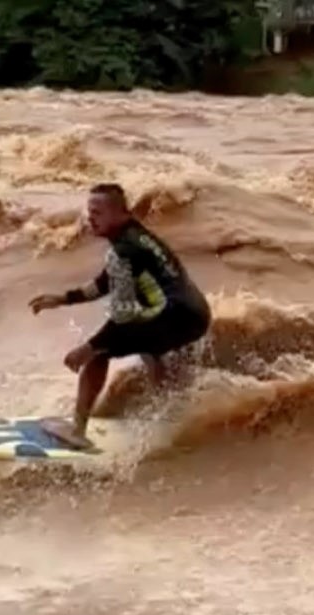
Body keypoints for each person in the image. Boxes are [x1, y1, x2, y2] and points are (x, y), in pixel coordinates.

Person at [30, 183, 212, 449]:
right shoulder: (136, 237)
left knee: (102, 351)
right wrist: (63, 299)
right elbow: (105, 283)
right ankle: (171, 417)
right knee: (148, 345)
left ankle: (77, 429)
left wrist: (89, 347)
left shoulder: (124, 252)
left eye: (98, 212)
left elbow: (122, 319)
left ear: (121, 214)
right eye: (89, 211)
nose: (91, 217)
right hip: (195, 315)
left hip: (173, 316)